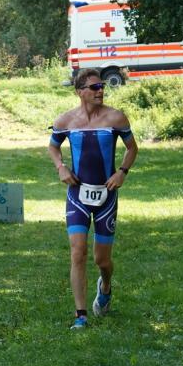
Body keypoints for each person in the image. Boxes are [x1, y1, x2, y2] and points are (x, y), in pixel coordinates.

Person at [48, 68, 139, 329]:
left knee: (102, 260)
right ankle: (81, 315)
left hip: (106, 197)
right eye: (95, 87)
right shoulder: (65, 121)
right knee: (78, 252)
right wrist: (61, 167)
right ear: (80, 92)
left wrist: (122, 172)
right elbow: (53, 146)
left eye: (102, 86)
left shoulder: (116, 117)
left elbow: (132, 148)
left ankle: (106, 285)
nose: (101, 91)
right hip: (77, 195)